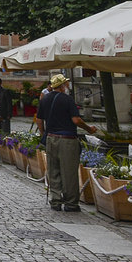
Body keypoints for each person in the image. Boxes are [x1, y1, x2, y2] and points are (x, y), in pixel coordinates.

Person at [35, 74, 97, 212]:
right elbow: (76, 120)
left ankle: (56, 200)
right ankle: (71, 203)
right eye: (66, 84)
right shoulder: (68, 100)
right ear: (62, 86)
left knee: (53, 170)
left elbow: (39, 119)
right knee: (69, 172)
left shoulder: (45, 99)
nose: (67, 86)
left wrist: (43, 133)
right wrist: (89, 129)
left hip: (51, 137)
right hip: (67, 139)